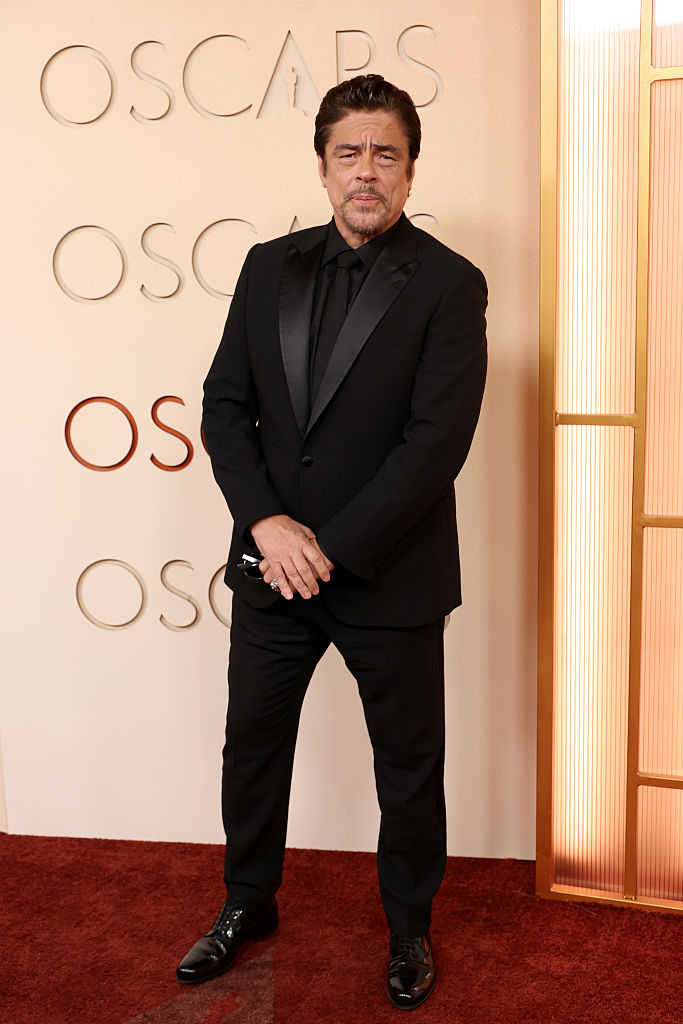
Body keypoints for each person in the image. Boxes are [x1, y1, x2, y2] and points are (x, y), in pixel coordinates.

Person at [177, 73, 487, 1010]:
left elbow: (434, 445)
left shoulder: (449, 282)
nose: (366, 170)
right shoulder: (264, 266)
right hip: (271, 567)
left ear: (409, 171)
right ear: (322, 167)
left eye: (385, 153)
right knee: (251, 746)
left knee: (408, 765)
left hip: (389, 573)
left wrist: (330, 548)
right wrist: (268, 526)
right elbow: (223, 407)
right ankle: (247, 901)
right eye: (348, 152)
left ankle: (408, 928)